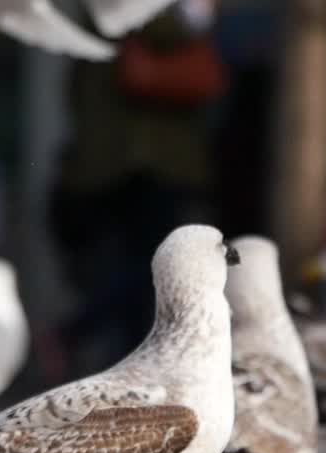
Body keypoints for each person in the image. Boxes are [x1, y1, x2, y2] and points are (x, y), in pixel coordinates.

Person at [52, 0, 225, 375]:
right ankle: (81, 334)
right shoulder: (145, 13)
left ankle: (119, 359)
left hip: (113, 163)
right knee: (150, 268)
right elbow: (163, 33)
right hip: (144, 164)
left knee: (131, 267)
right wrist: (198, 14)